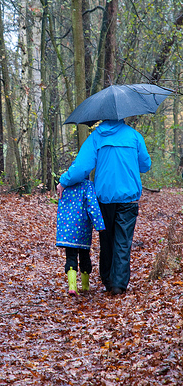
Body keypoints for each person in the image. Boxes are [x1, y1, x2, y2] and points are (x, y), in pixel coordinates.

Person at [57, 119, 151, 296]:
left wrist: (64, 181)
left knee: (106, 240)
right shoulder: (134, 136)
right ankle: (118, 284)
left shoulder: (96, 137)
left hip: (104, 199)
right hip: (129, 198)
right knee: (123, 241)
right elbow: (145, 165)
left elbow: (81, 168)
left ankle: (108, 280)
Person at [56, 177, 105, 295]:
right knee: (84, 255)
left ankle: (72, 287)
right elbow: (92, 206)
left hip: (67, 229)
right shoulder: (87, 186)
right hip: (83, 228)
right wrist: (99, 225)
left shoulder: (65, 186)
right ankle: (85, 287)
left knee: (70, 256)